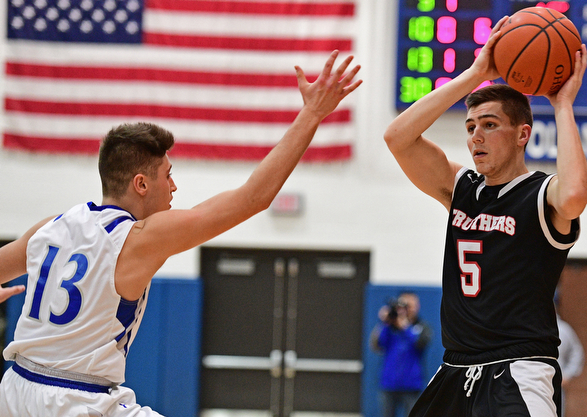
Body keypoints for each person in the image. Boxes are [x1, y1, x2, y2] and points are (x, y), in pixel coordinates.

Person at [0, 50, 361, 417]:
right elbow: (253, 197)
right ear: (141, 184)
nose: (174, 186)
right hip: (75, 400)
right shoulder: (138, 236)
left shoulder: (51, 225)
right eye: (167, 174)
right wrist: (312, 114)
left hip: (14, 389)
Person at [383, 14, 587, 417]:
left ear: (522, 135)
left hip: (519, 369)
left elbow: (577, 194)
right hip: (454, 368)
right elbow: (397, 137)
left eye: (490, 125)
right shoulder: (462, 188)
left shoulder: (540, 194)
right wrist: (476, 72)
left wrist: (562, 104)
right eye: (471, 125)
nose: (475, 136)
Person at [370, 293, 432, 417]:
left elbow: (420, 344)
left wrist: (405, 327)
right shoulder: (389, 327)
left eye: (411, 305)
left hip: (411, 385)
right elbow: (378, 344)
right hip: (389, 383)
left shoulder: (422, 326)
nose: (408, 309)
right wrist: (385, 322)